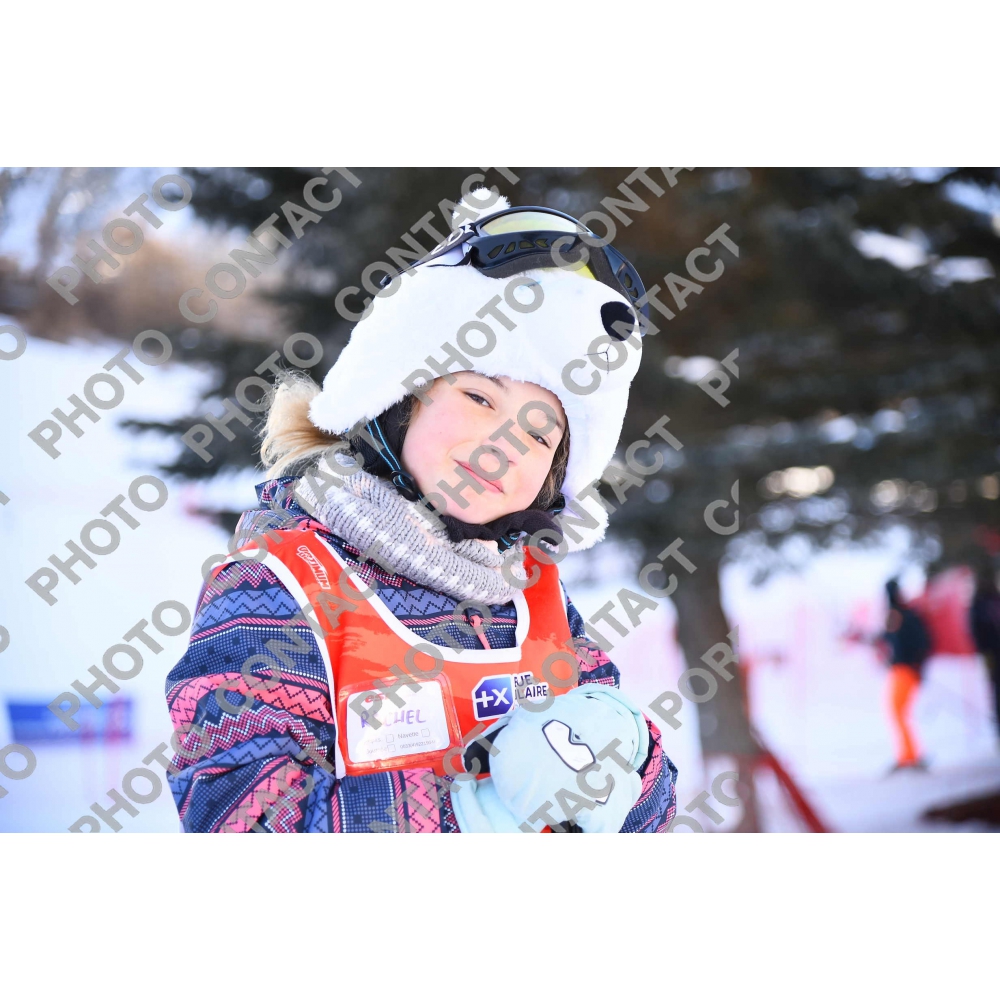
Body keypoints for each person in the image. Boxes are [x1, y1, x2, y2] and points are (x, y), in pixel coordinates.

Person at [162, 189, 678, 833]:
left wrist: (630, 761)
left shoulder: (533, 597)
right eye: (479, 398)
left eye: (541, 435)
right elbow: (238, 812)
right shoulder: (280, 586)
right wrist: (471, 814)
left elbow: (643, 811)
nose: (504, 445)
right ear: (400, 397)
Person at [882, 578, 932, 773]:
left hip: (907, 670)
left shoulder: (908, 615)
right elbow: (888, 639)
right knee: (897, 712)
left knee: (899, 712)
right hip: (899, 669)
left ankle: (911, 756)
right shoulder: (894, 615)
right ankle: (906, 755)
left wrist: (917, 666)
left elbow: (922, 642)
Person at [969, 567, 1000, 743]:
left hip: (991, 654)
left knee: (996, 690)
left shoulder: (984, 603)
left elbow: (975, 632)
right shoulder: (984, 603)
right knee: (996, 690)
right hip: (992, 654)